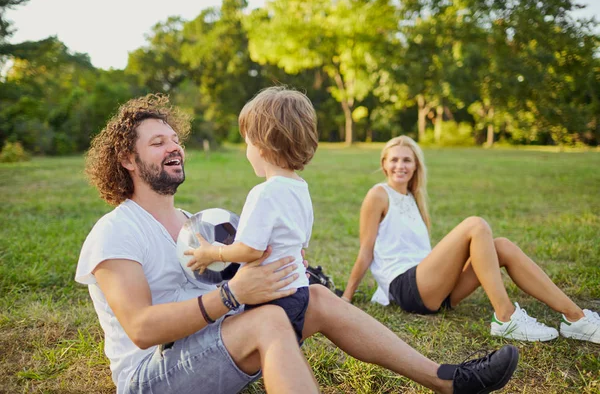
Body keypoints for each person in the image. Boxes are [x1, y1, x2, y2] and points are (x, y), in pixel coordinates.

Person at [76, 94, 519, 394]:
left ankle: (449, 380)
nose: (174, 147)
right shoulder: (115, 231)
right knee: (268, 322)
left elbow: (248, 264)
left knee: (319, 298)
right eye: (158, 143)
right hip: (151, 376)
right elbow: (142, 329)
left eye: (175, 139)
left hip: (214, 346)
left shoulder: (201, 224)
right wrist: (231, 294)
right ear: (128, 159)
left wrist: (281, 272)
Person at [342, 135, 600, 344]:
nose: (400, 165)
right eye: (395, 159)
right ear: (384, 163)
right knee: (475, 225)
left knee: (502, 246)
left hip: (434, 289)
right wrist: (346, 298)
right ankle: (506, 317)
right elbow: (366, 250)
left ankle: (576, 318)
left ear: (416, 166)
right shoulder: (378, 194)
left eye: (407, 160)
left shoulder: (414, 199)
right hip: (406, 287)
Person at [186, 87, 316, 341]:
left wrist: (212, 252)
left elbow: (250, 250)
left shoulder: (264, 193)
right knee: (286, 346)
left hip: (272, 295)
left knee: (272, 351)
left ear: (262, 147)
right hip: (299, 290)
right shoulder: (301, 187)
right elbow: (302, 243)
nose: (246, 152)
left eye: (247, 143)